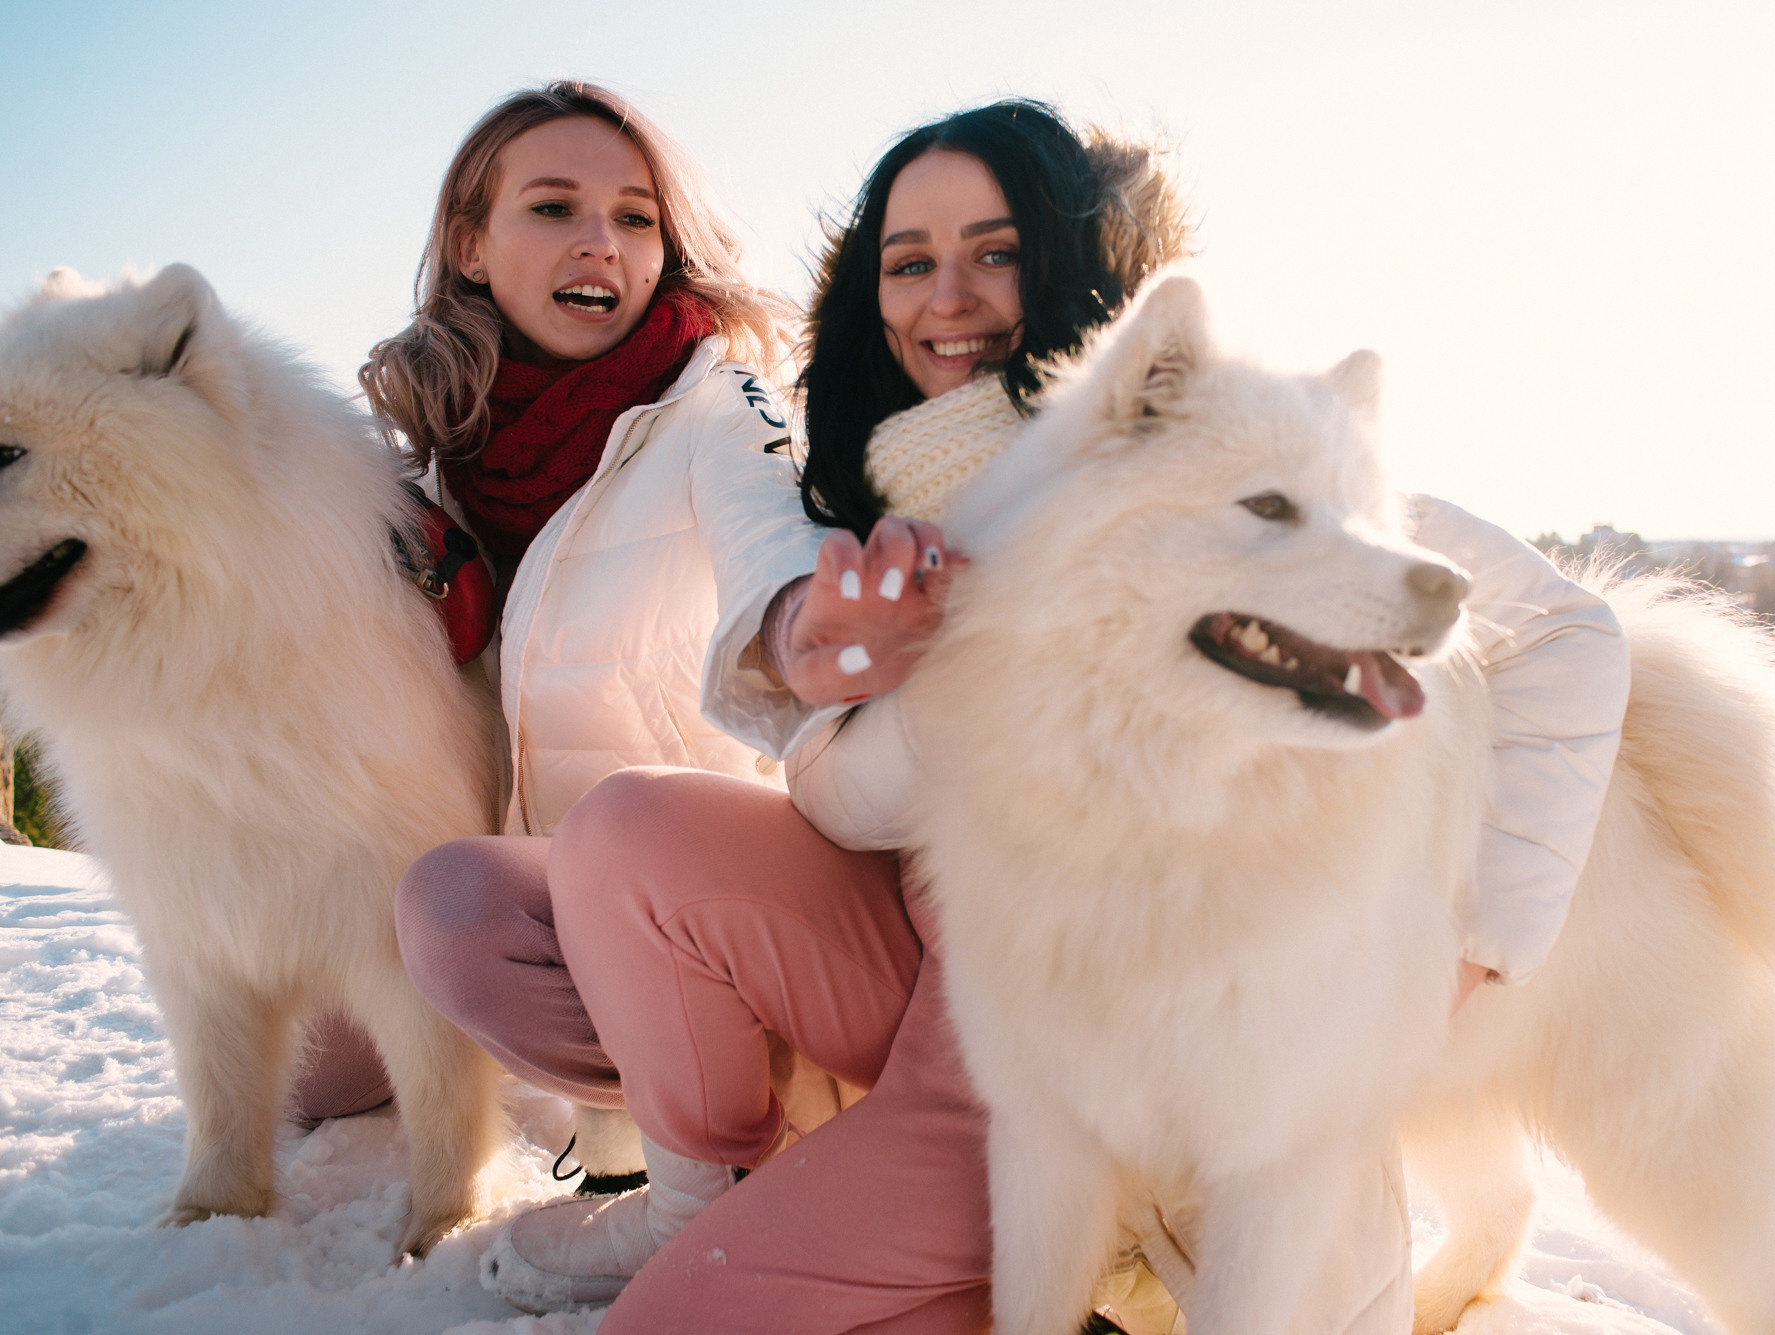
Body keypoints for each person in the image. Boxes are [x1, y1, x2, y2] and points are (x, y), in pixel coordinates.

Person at [467, 99, 1630, 1335]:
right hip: (968, 996)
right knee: (615, 841)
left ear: (1067, 259)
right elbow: (837, 799)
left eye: (995, 250)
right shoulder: (862, 485)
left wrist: (1457, 964)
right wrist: (865, 668)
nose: (946, 296)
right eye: (907, 263)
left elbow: (1566, 633)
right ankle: (768, 1200)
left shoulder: (1220, 447)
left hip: (1181, 1024)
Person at [289, 81, 905, 1157]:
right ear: (472, 244)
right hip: (530, 878)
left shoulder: (716, 402)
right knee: (315, 1077)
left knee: (456, 913)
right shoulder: (435, 458)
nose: (601, 245)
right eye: (554, 208)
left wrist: (810, 619)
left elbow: (776, 537)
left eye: (633, 218)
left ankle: (691, 1131)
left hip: (691, 904)